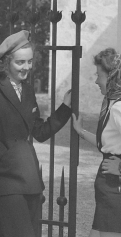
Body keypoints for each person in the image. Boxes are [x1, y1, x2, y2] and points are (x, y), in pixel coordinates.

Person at [0, 30, 72, 237]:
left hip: (30, 180)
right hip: (3, 181)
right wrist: (0, 150)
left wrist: (65, 108)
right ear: (5, 62)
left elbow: (39, 131)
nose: (27, 67)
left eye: (29, 62)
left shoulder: (28, 90)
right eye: (20, 62)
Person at [72, 48, 121, 237]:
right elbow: (105, 144)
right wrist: (80, 131)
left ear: (111, 77)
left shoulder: (118, 107)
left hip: (115, 189)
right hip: (106, 188)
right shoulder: (110, 103)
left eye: (99, 75)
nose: (96, 81)